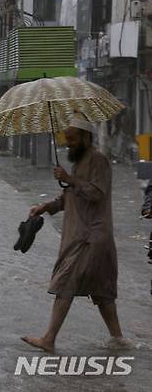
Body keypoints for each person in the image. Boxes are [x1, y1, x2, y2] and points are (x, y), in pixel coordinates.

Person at [22, 114, 126, 352]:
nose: (68, 144)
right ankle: (119, 340)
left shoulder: (98, 160)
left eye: (72, 139)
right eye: (66, 139)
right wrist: (46, 207)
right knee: (102, 292)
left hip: (89, 238)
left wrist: (70, 179)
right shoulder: (79, 162)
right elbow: (71, 197)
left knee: (64, 284)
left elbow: (97, 193)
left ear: (86, 137)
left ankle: (49, 338)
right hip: (85, 236)